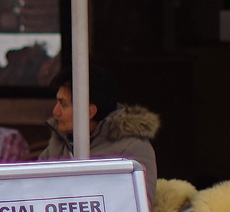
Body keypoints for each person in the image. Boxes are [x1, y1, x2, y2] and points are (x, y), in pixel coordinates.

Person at [40, 65, 160, 202]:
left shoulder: (132, 148)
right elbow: (34, 189)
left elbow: (139, 211)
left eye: (63, 104)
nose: (56, 111)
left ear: (89, 112)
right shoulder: (59, 140)